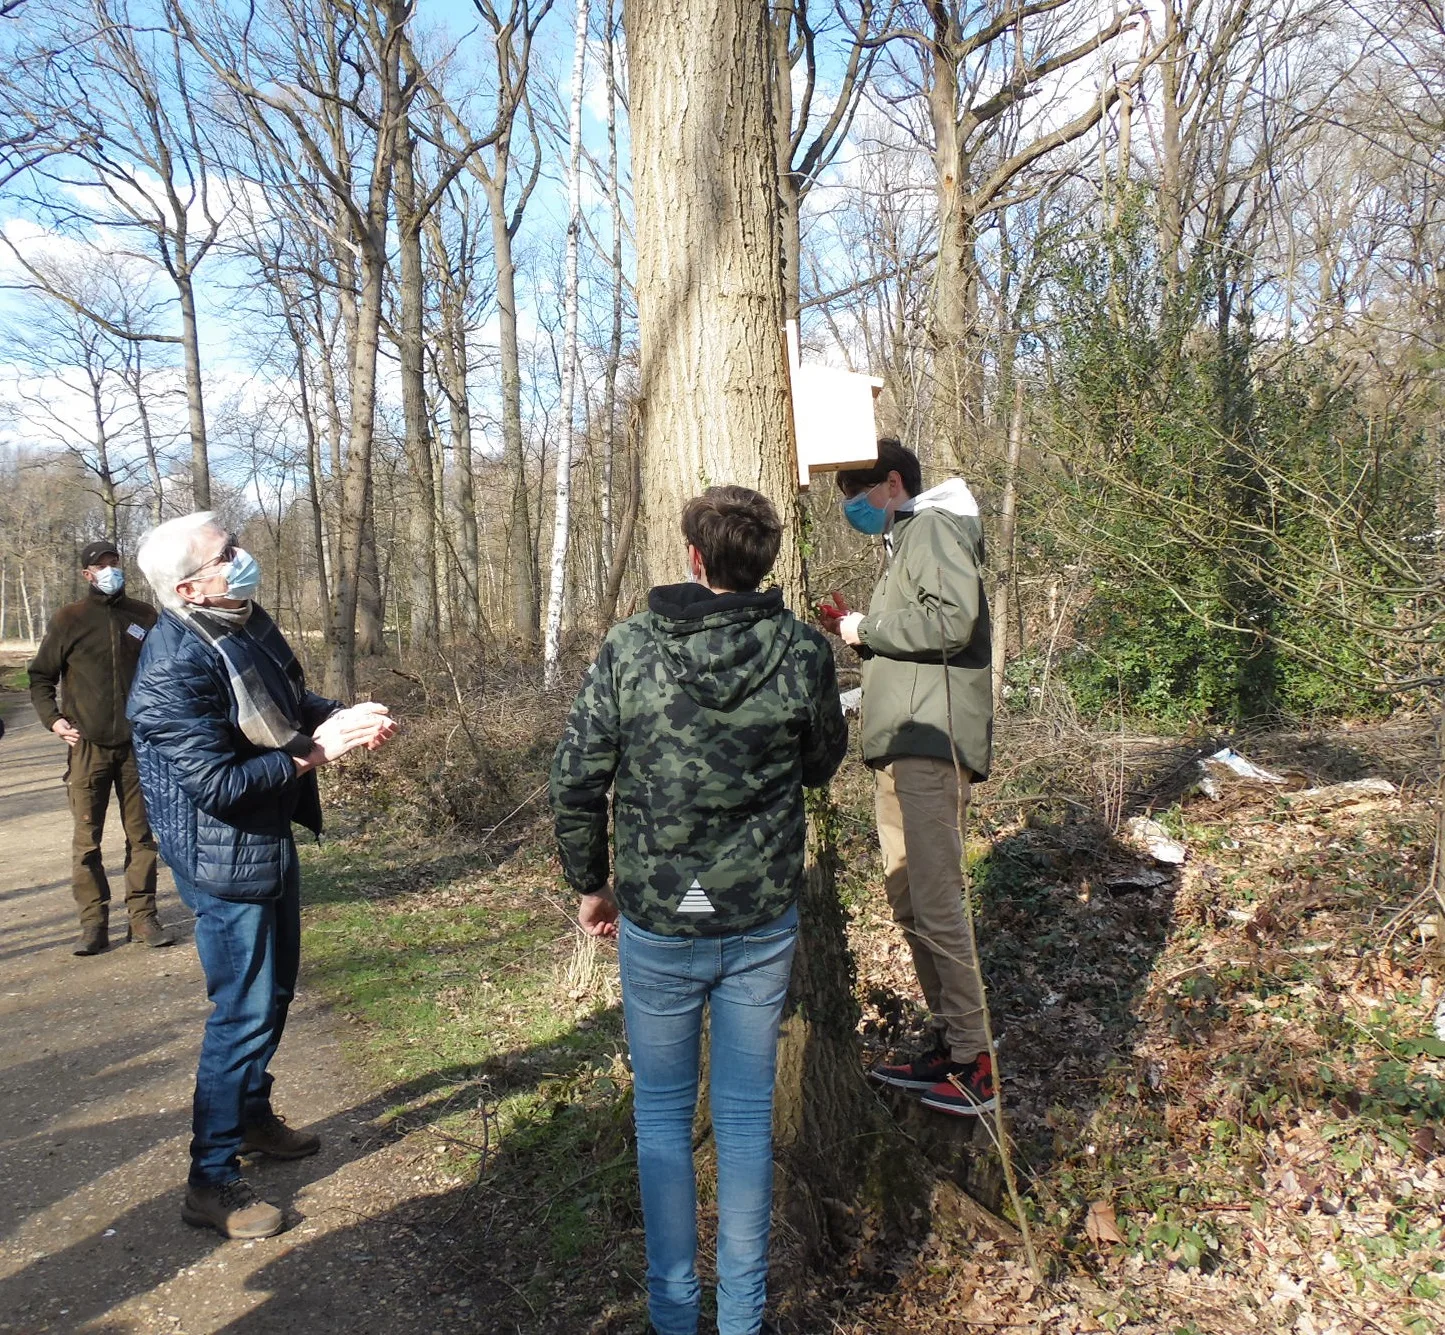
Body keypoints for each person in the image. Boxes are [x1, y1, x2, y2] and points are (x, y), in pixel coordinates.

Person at [551, 486, 847, 1335]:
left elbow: (576, 778)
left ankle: (673, 1317)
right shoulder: (800, 652)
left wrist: (590, 881)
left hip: (661, 921)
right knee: (746, 1121)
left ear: (692, 557)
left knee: (662, 1119)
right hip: (755, 919)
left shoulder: (631, 647)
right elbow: (821, 762)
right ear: (765, 561)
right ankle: (739, 1319)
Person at [128, 512, 397, 1240]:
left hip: (268, 838)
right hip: (221, 856)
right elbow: (217, 783)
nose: (244, 559)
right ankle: (209, 1180)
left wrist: (342, 716)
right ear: (189, 586)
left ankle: (249, 1115)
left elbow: (289, 701)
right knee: (241, 1012)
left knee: (276, 992)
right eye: (228, 554)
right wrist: (317, 753)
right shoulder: (169, 670)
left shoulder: (242, 619)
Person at [820, 438, 996, 1118]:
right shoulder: (907, 537)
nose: (853, 511)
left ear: (892, 483)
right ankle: (950, 1045)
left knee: (936, 900)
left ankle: (975, 1060)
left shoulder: (932, 526)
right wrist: (857, 633)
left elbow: (953, 621)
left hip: (931, 741)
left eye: (857, 498)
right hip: (902, 741)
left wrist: (871, 625)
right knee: (909, 903)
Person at [29, 538, 170, 955]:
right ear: (87, 574)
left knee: (142, 838)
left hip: (139, 747)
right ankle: (93, 925)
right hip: (87, 747)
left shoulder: (145, 616)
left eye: (115, 562)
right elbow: (40, 677)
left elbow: (166, 672)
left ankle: (143, 919)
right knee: (86, 841)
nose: (110, 569)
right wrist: (54, 720)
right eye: (101, 565)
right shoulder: (69, 619)